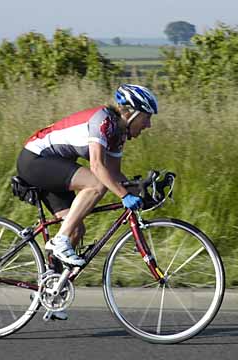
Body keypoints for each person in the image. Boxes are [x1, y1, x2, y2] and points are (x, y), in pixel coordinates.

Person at [17, 84, 158, 268]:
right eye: (146, 118)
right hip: (35, 160)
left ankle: (52, 285)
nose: (148, 125)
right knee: (96, 184)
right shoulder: (103, 121)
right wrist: (124, 195)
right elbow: (97, 167)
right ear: (131, 113)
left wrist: (140, 191)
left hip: (54, 166)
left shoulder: (119, 134)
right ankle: (60, 241)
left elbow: (114, 173)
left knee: (76, 230)